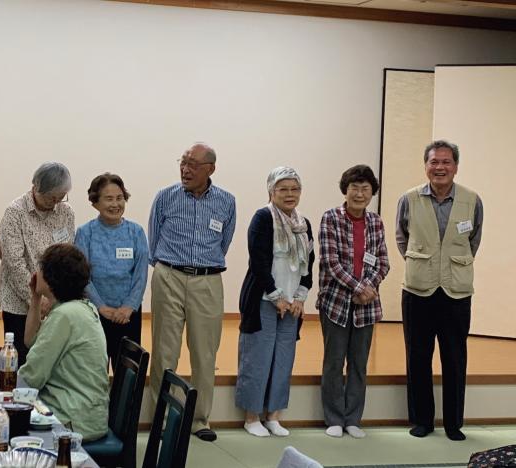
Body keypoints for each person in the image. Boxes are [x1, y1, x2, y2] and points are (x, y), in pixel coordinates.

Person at [147, 143, 236, 442]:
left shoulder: (226, 201)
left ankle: (199, 419)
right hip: (169, 275)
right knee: (164, 351)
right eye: (183, 163)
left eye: (193, 165)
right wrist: (168, 269)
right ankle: (161, 419)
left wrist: (202, 268)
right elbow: (153, 239)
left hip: (207, 280)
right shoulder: (165, 197)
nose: (185, 170)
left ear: (211, 169)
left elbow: (224, 241)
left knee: (204, 353)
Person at [396, 140, 483, 441]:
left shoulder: (472, 200)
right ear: (426, 166)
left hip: (456, 291)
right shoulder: (409, 199)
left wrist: (450, 265)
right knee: (417, 356)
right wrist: (423, 264)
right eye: (434, 162)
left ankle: (453, 424)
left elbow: (473, 240)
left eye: (446, 162)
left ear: (456, 166)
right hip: (418, 290)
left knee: (455, 358)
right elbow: (402, 238)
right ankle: (422, 421)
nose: (440, 167)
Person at [236, 166, 314, 438]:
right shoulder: (263, 217)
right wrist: (276, 296)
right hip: (264, 299)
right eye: (283, 189)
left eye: (295, 189)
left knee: (283, 360)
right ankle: (251, 417)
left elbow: (309, 264)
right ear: (271, 191)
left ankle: (274, 415)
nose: (290, 194)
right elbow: (258, 261)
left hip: (292, 304)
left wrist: (300, 296)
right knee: (257, 358)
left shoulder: (304, 223)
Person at [317, 165, 390, 439]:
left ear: (372, 192)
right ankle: (334, 418)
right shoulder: (331, 218)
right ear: (345, 190)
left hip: (366, 306)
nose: (359, 194)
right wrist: (359, 287)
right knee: (334, 362)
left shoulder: (376, 222)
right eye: (354, 188)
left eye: (365, 189)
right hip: (336, 303)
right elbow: (330, 262)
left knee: (359, 364)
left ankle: (353, 419)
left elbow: (383, 262)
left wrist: (368, 288)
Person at [19, 244, 109, 441]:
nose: (36, 273)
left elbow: (32, 377)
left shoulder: (65, 316)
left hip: (72, 418)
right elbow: (30, 341)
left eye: (40, 268)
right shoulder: (81, 307)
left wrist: (3, 388)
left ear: (52, 278)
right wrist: (35, 297)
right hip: (87, 414)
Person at [0, 162, 75, 365]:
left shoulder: (66, 212)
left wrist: (54, 298)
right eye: (51, 197)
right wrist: (36, 299)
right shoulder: (15, 212)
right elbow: (14, 263)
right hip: (20, 303)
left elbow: (67, 256)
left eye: (61, 197)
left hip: (55, 303)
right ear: (35, 187)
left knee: (51, 362)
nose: (55, 203)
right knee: (22, 360)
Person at [75, 173, 148, 371]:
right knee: (93, 373)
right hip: (94, 314)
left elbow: (140, 275)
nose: (115, 204)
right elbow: (83, 276)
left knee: (128, 375)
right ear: (95, 202)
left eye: (119, 198)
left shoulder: (136, 232)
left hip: (128, 315)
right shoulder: (85, 233)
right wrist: (101, 306)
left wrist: (129, 306)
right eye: (108, 199)